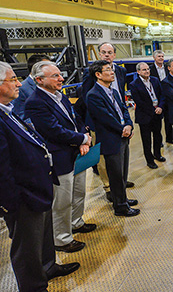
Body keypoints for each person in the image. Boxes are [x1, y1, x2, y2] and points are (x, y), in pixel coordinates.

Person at [0, 62, 79, 292]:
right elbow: (2, 170)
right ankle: (34, 286)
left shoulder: (9, 111)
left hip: (37, 189)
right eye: (13, 79)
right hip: (23, 198)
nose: (19, 83)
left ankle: (49, 266)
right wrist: (13, 203)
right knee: (27, 249)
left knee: (43, 238)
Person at [25, 61, 96, 253]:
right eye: (55, 76)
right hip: (60, 157)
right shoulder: (35, 102)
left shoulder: (60, 96)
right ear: (39, 80)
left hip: (77, 152)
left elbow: (76, 119)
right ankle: (61, 239)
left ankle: (76, 222)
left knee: (79, 192)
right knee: (62, 200)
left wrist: (83, 139)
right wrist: (82, 138)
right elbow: (53, 131)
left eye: (60, 74)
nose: (61, 78)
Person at [82, 42, 134, 202]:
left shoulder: (121, 71)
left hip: (120, 119)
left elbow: (122, 99)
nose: (106, 55)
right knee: (106, 158)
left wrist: (128, 125)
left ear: (114, 55)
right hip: (102, 123)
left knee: (121, 156)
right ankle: (109, 187)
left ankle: (120, 186)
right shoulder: (91, 74)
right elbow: (87, 99)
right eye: (103, 52)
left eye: (109, 52)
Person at [87, 60, 140, 217]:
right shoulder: (93, 95)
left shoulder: (114, 92)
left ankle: (122, 198)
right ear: (98, 74)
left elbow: (124, 110)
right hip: (111, 138)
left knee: (122, 172)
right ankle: (120, 207)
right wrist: (122, 129)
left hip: (123, 136)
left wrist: (129, 125)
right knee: (115, 175)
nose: (112, 72)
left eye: (112, 70)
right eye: (108, 70)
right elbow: (106, 118)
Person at [130, 62, 165, 169]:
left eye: (147, 69)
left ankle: (157, 154)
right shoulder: (134, 84)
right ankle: (150, 161)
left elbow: (162, 95)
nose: (147, 71)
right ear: (138, 72)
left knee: (158, 136)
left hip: (157, 113)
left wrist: (160, 107)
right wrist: (153, 110)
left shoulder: (154, 80)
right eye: (144, 70)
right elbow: (139, 102)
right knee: (147, 140)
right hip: (145, 116)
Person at [12, 54, 50, 119]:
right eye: (47, 67)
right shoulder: (22, 88)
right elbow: (19, 116)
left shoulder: (48, 84)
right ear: (35, 69)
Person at [149, 50, 173, 144]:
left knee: (169, 119)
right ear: (154, 58)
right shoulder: (150, 69)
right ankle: (159, 141)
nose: (161, 58)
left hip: (168, 96)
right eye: (159, 56)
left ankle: (169, 138)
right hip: (156, 97)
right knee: (157, 120)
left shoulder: (167, 68)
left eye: (162, 56)